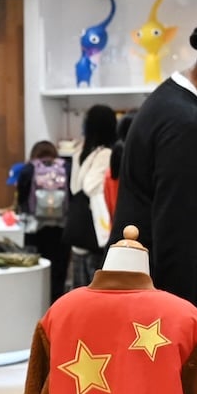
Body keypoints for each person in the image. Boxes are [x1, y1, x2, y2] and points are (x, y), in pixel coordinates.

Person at [110, 24, 197, 317]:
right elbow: (175, 233)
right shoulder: (185, 123)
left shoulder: (171, 103)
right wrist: (177, 322)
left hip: (153, 292)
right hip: (170, 300)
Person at [64, 105, 116, 289]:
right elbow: (90, 186)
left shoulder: (79, 153)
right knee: (98, 292)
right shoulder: (105, 154)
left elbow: (74, 187)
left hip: (78, 236)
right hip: (94, 236)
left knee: (79, 293)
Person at [14, 140, 72, 296]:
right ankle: (57, 307)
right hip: (61, 229)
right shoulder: (66, 168)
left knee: (35, 270)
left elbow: (21, 199)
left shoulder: (28, 169)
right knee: (58, 273)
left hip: (35, 229)